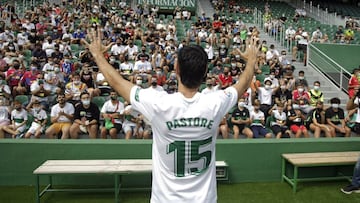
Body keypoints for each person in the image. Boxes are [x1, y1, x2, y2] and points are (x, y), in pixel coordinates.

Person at [83, 28, 259, 203]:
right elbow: (241, 85)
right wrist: (251, 61)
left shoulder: (159, 104)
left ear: (176, 68)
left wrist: (97, 54)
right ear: (205, 71)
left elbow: (117, 82)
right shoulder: (215, 103)